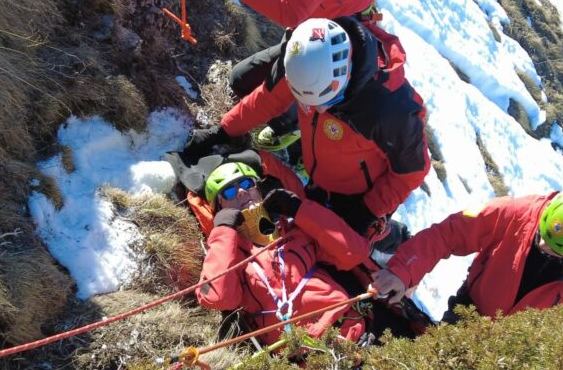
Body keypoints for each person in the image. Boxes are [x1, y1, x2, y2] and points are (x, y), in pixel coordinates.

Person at [182, 16, 430, 242]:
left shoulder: (390, 109)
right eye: (307, 103)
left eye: (329, 101)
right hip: (320, 178)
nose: (319, 111)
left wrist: (369, 210)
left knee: (359, 240)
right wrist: (223, 130)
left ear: (345, 76)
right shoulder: (302, 60)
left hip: (362, 195)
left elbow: (412, 171)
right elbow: (266, 99)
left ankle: (394, 238)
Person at [190, 0, 377, 150]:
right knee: (240, 80)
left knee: (281, 94)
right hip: (313, 19)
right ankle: (297, 109)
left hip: (331, 37)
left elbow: (291, 11)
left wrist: (221, 132)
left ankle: (296, 124)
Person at [371, 181, 563, 322]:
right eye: (542, 234)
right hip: (468, 314)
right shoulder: (517, 213)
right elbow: (448, 234)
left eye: (554, 249)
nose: (541, 246)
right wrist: (403, 271)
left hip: (517, 357)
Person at [195, 161, 375, 345]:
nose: (241, 192)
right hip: (300, 360)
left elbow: (355, 252)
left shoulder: (296, 231)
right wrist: (223, 230)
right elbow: (216, 298)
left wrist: (299, 209)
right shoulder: (229, 256)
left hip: (347, 332)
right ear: (220, 208)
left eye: (247, 184)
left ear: (258, 190)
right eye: (229, 192)